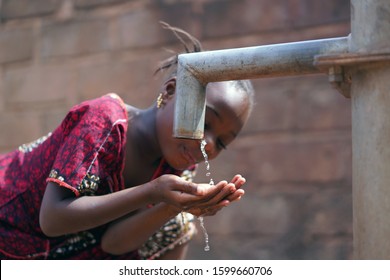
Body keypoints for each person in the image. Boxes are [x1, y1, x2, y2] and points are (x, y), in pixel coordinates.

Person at [0, 22, 255, 260]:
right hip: (8, 224)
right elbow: (53, 219)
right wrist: (152, 191)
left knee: (178, 226)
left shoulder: (179, 160)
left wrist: (172, 205)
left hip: (51, 252)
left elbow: (114, 244)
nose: (208, 144)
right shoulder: (105, 121)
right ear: (169, 92)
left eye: (221, 143)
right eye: (204, 122)